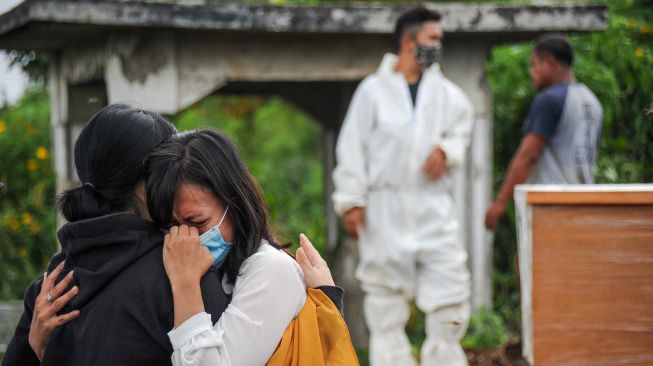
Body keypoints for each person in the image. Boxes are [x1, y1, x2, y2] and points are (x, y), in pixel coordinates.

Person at [2, 104, 230, 366]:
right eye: (172, 166)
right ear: (150, 179)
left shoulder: (49, 289)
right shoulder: (183, 275)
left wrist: (40, 349)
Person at [332, 7, 474, 366]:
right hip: (384, 211)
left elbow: (462, 131)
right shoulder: (372, 92)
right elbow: (352, 148)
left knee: (450, 298)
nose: (439, 45)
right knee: (384, 303)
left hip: (434, 210)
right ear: (409, 41)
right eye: (433, 38)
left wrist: (447, 149)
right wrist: (351, 201)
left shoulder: (449, 95)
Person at [143, 128, 357, 365]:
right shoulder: (222, 273)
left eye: (198, 223)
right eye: (171, 226)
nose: (185, 239)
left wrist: (185, 284)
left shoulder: (271, 270)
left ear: (233, 205)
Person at [485, 34, 604, 231]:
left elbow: (528, 155)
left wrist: (500, 203)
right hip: (584, 202)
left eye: (534, 65)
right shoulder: (592, 101)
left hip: (551, 204)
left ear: (548, 62)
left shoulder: (550, 99)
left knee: (534, 261)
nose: (532, 72)